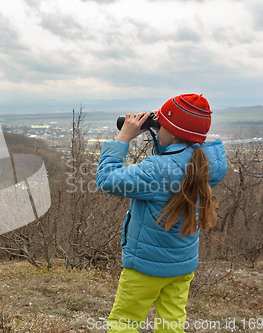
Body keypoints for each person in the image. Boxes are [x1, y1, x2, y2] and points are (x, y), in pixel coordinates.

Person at [95, 94, 228, 333]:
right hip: (182, 268)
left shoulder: (156, 170)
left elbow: (106, 180)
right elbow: (176, 158)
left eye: (161, 125)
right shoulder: (206, 164)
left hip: (146, 267)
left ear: (174, 132)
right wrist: (165, 130)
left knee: (124, 321)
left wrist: (124, 136)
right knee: (171, 324)